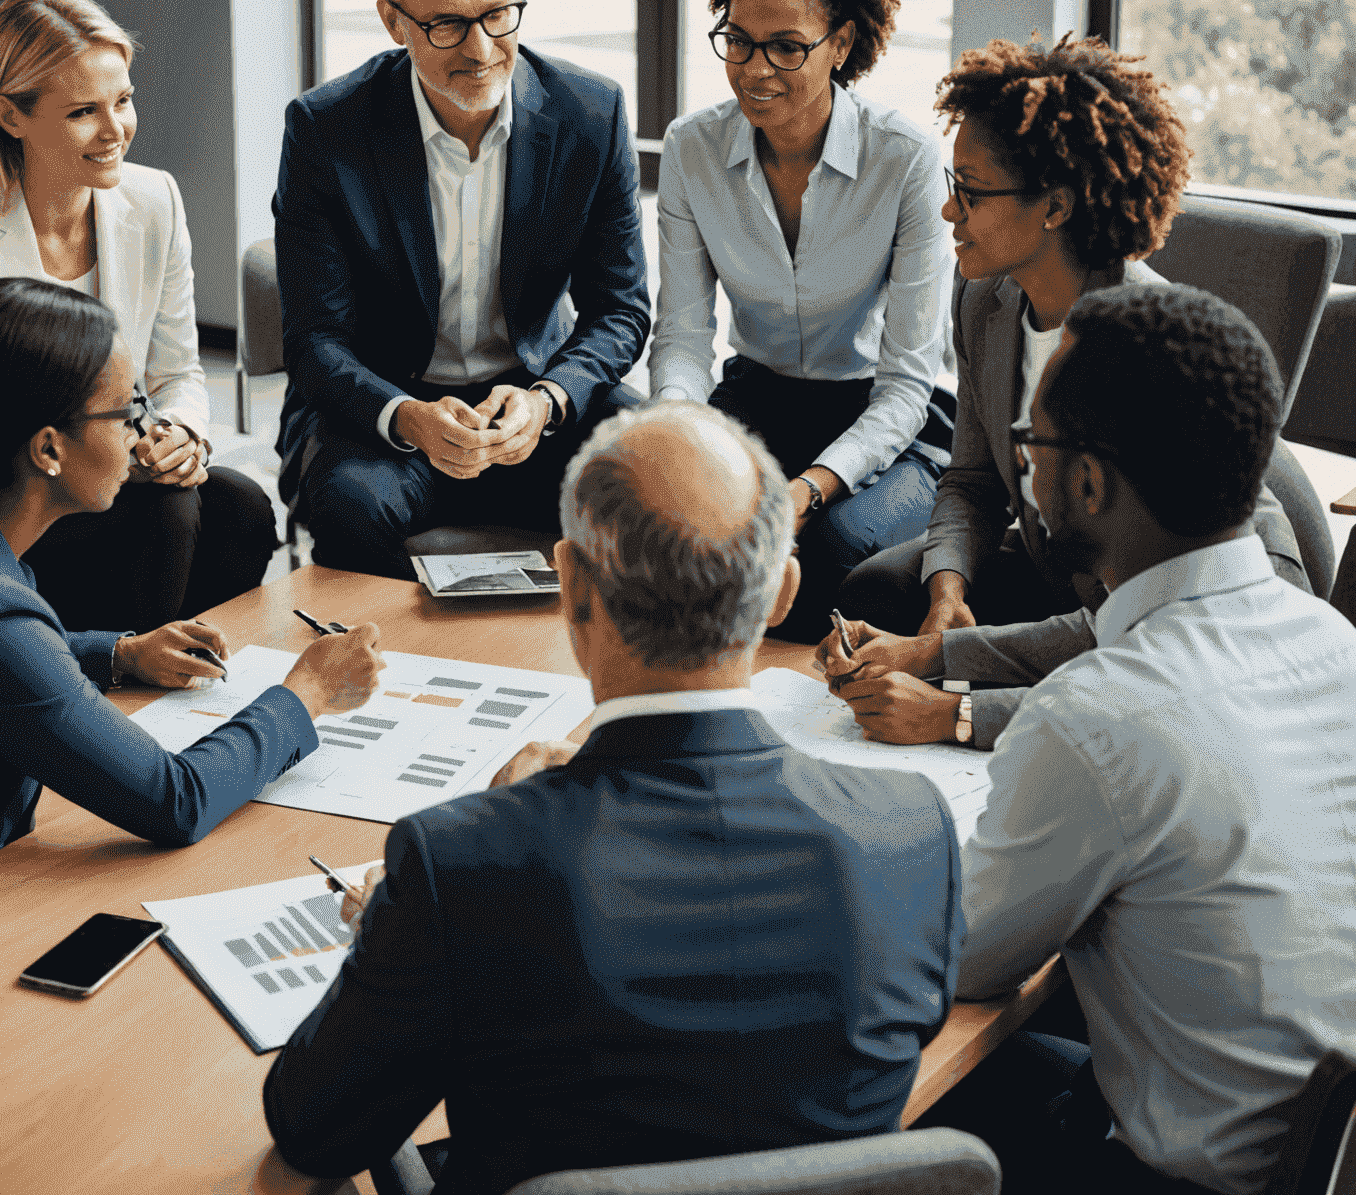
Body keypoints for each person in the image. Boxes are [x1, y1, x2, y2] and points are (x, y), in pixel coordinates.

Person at [262, 403, 963, 1195]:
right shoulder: (915, 832)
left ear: (569, 583)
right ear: (782, 594)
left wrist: (402, 920)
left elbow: (313, 1129)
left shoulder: (457, 863)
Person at [916, 285, 1356, 1195]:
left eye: (1032, 445)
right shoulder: (1336, 645)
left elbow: (962, 960)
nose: (1024, 472)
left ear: (1087, 483)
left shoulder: (1098, 715)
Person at [0, 279, 384, 946]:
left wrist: (116, 654)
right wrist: (309, 689)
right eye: (127, 410)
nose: (145, 430)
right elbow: (177, 799)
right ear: (49, 448)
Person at [832, 34, 1304, 661]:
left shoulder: (1143, 339)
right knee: (880, 594)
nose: (948, 210)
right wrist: (948, 592)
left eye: (970, 191)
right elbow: (972, 479)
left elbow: (1139, 610)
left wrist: (939, 660)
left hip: (1171, 604)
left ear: (1054, 207)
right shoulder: (983, 300)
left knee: (988, 660)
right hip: (1056, 559)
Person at [274, 0, 649, 579]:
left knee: (656, 478)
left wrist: (548, 400)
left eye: (498, 15)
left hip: (532, 401)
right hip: (386, 414)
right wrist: (407, 416)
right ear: (393, 21)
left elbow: (620, 311)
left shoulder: (591, 113)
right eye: (445, 24)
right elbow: (314, 342)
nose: (480, 49)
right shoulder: (326, 130)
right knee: (351, 508)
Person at [0, 0, 276, 634]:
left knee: (240, 505)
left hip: (109, 472)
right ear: (11, 115)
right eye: (83, 112)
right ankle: (107, 681)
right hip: (5, 511)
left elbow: (178, 373)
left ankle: (166, 671)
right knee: (165, 512)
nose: (115, 129)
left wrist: (179, 435)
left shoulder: (155, 200)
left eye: (123, 100)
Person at [651, 0, 954, 637]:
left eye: (787, 46)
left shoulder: (905, 160)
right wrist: (678, 434)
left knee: (826, 548)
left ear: (841, 43)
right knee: (668, 532)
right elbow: (685, 337)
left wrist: (810, 489)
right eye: (738, 42)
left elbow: (907, 383)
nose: (756, 69)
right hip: (757, 403)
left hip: (885, 422)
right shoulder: (692, 149)